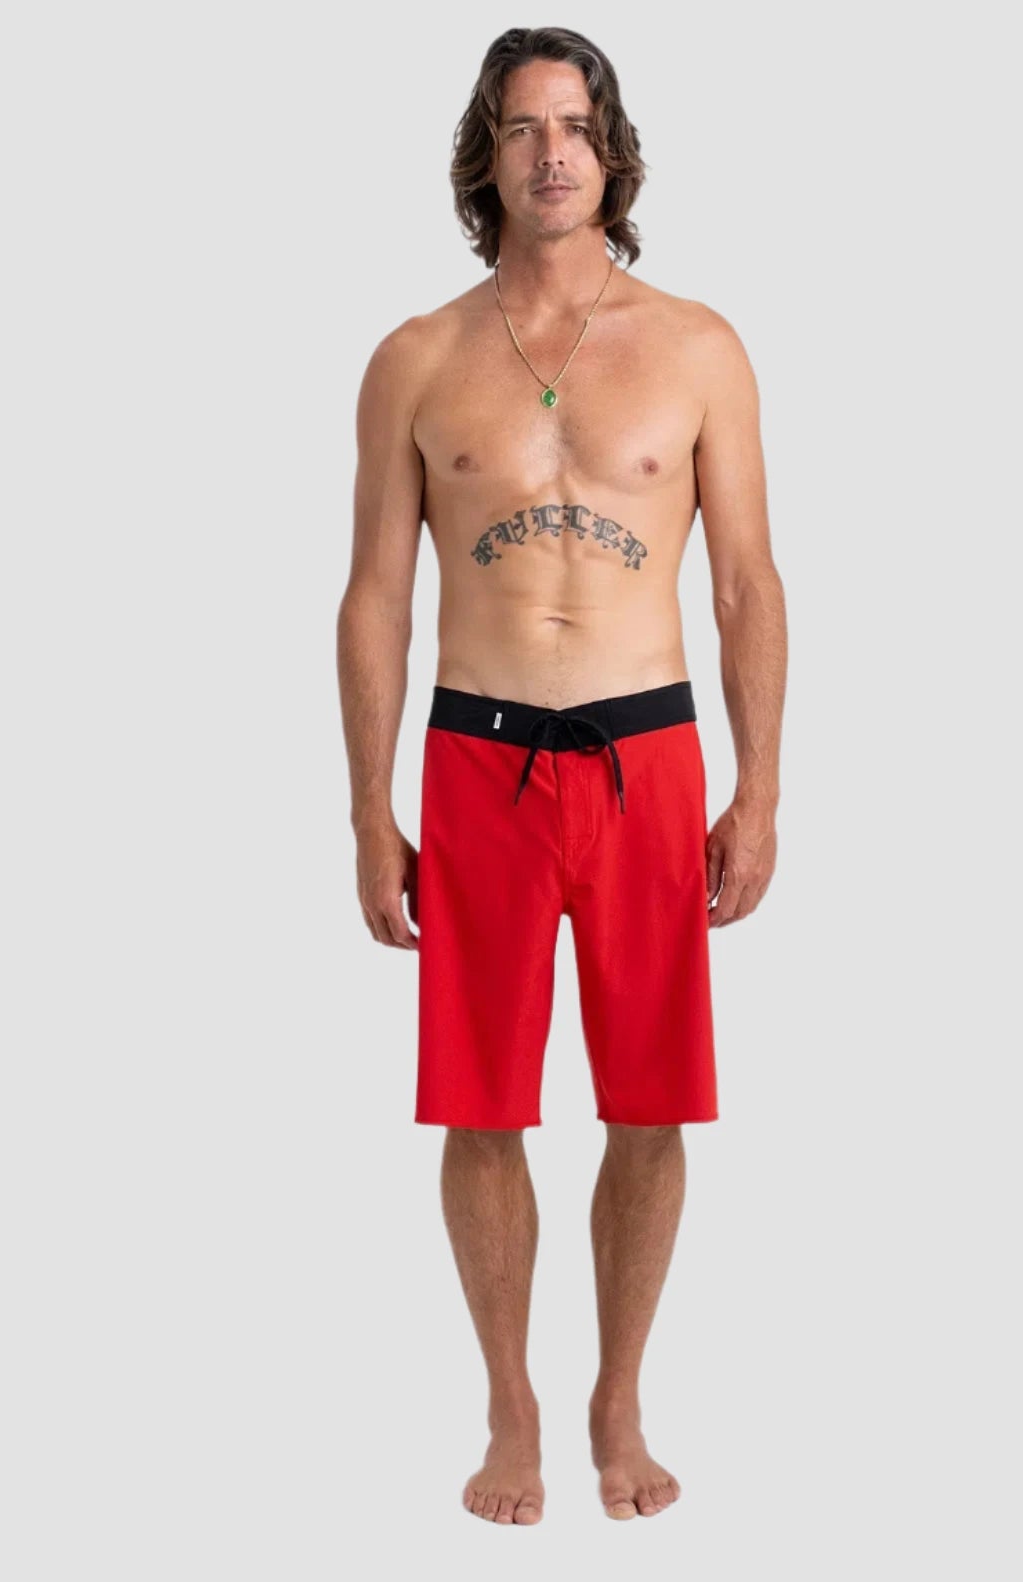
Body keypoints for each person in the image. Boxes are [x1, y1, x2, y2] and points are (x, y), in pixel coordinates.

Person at [336, 26, 787, 1525]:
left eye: (576, 126)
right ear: (485, 153)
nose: (551, 153)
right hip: (478, 760)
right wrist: (368, 812)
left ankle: (619, 1394)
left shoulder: (698, 347)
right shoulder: (415, 357)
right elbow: (375, 600)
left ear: (612, 149)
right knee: (481, 1106)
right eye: (524, 127)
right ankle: (510, 1403)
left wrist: (760, 789)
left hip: (648, 755)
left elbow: (747, 584)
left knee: (650, 1101)